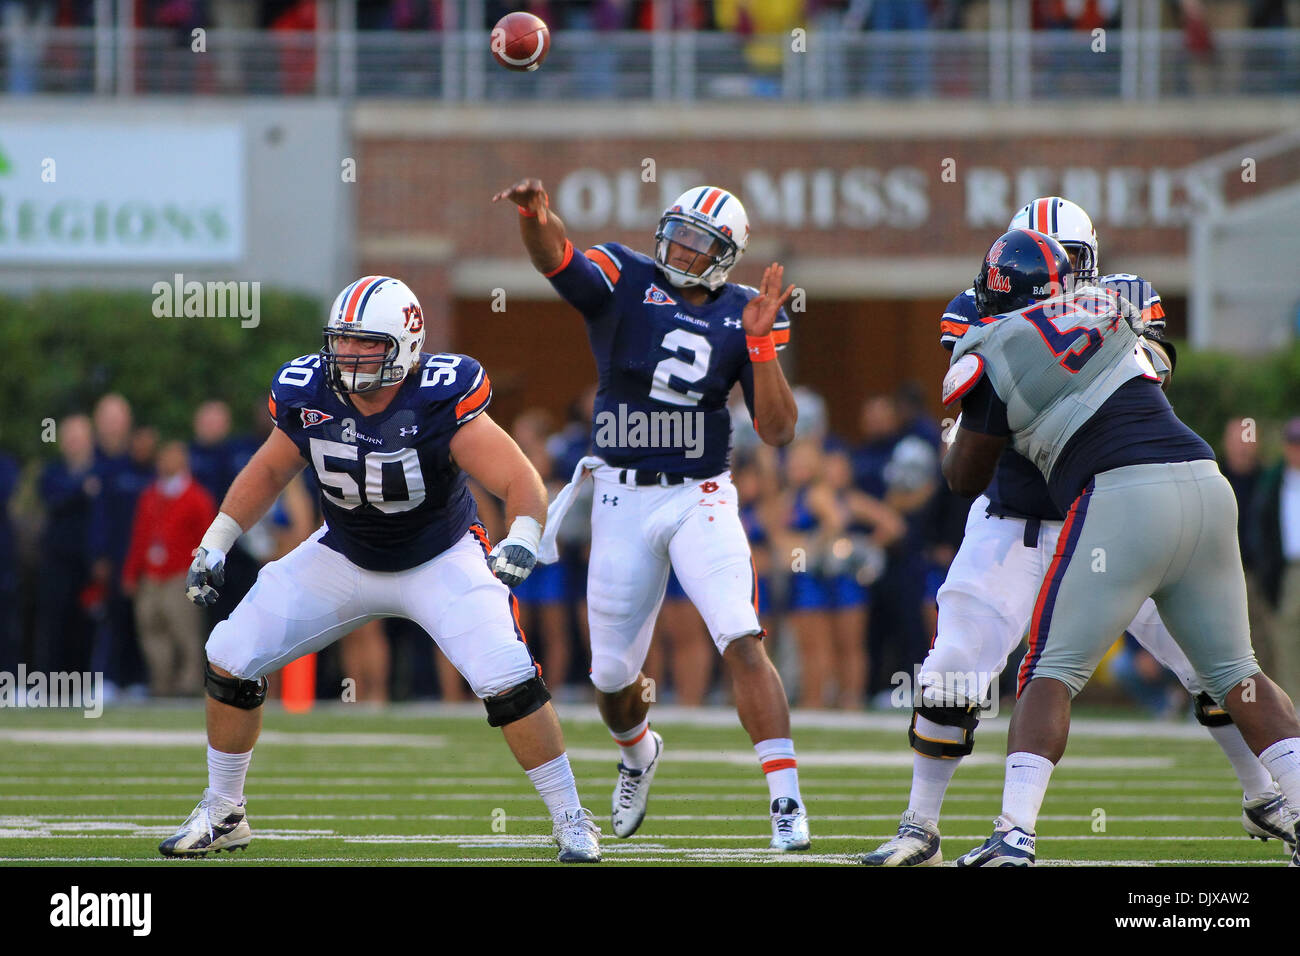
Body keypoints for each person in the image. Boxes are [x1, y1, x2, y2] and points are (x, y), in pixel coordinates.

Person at [862, 197, 1294, 867]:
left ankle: (1263, 795)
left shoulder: (1119, 301)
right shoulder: (997, 305)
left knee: (1204, 668)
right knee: (952, 669)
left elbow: (1146, 377)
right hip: (1016, 517)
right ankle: (920, 825)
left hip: (1108, 508)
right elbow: (985, 416)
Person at [160, 276, 600, 863]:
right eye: (341, 341)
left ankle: (571, 817)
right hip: (344, 553)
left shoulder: (440, 396)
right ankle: (224, 811)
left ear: (405, 347)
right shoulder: (308, 390)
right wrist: (216, 540)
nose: (347, 356)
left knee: (508, 679)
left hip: (439, 556)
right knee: (231, 656)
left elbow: (518, 479)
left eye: (365, 344)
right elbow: (268, 471)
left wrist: (522, 536)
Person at [492, 178, 809, 849]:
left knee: (740, 634)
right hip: (621, 497)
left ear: (728, 254)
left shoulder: (750, 310)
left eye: (700, 241)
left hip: (700, 495)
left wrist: (760, 348)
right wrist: (534, 217)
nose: (681, 247)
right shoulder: (625, 275)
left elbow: (778, 430)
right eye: (678, 231)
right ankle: (637, 751)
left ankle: (785, 801)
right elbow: (556, 260)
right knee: (609, 676)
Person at [121, 441, 216, 697]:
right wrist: (132, 572)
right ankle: (161, 682)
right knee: (151, 629)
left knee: (185, 631)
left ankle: (189, 683)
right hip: (152, 575)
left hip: (180, 574)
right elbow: (140, 536)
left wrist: (200, 573)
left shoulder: (197, 498)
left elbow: (207, 539)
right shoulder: (150, 495)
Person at [1251, 417, 1300, 705]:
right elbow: (1262, 527)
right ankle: (1293, 708)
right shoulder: (1273, 480)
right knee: (1286, 640)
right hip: (1289, 570)